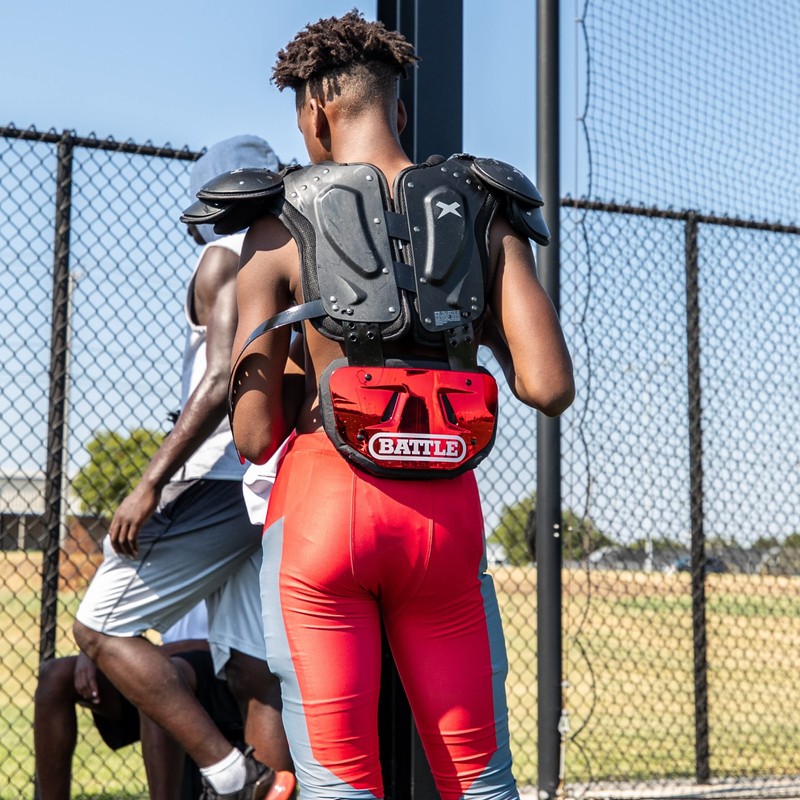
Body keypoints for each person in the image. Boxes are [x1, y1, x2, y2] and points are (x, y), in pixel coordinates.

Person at [189, 11, 574, 800]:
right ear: (399, 107)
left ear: (314, 113)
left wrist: (313, 387)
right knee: (481, 782)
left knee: (340, 785)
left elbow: (256, 436)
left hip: (324, 515)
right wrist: (463, 333)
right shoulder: (487, 209)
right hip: (445, 522)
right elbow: (548, 385)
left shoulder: (274, 225)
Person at [73, 136, 296, 800]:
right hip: (266, 481)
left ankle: (237, 776)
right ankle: (271, 785)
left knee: (98, 627)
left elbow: (223, 381)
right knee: (254, 671)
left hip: (218, 477)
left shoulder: (222, 256)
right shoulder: (286, 252)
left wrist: (148, 483)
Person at [34, 603, 243, 800]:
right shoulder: (157, 564)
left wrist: (157, 655)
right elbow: (116, 608)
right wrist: (89, 652)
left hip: (227, 664)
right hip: (172, 660)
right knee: (56, 676)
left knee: (156, 677)